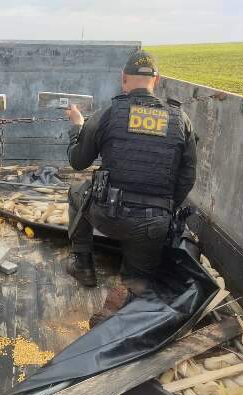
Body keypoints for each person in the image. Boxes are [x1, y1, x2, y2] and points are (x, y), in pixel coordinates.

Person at [65, 50, 197, 327]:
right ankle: (127, 300)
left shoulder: (109, 114)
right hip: (152, 226)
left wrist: (77, 127)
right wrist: (164, 210)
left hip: (108, 215)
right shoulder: (179, 119)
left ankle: (83, 265)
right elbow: (187, 177)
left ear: (124, 80)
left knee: (77, 192)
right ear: (156, 80)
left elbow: (78, 161)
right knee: (138, 284)